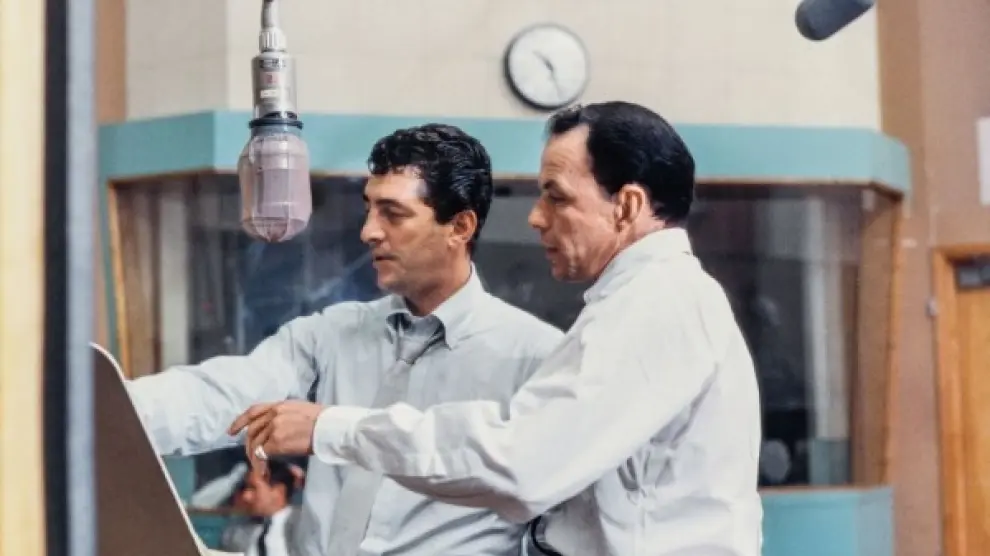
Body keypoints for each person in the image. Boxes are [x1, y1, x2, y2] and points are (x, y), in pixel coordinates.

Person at [235, 101, 764, 556]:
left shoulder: (659, 303)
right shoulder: (641, 301)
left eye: (557, 196)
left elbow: (520, 463)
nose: (536, 217)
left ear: (626, 206)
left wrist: (334, 429)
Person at [126, 123, 564, 555]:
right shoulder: (331, 335)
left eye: (393, 213)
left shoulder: (537, 357)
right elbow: (220, 394)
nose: (369, 231)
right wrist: (110, 411)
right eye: (369, 209)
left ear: (460, 227)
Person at [219, 460, 303, 556]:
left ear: (278, 492)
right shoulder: (234, 531)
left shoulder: (305, 525)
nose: (246, 496)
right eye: (245, 488)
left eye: (253, 488)